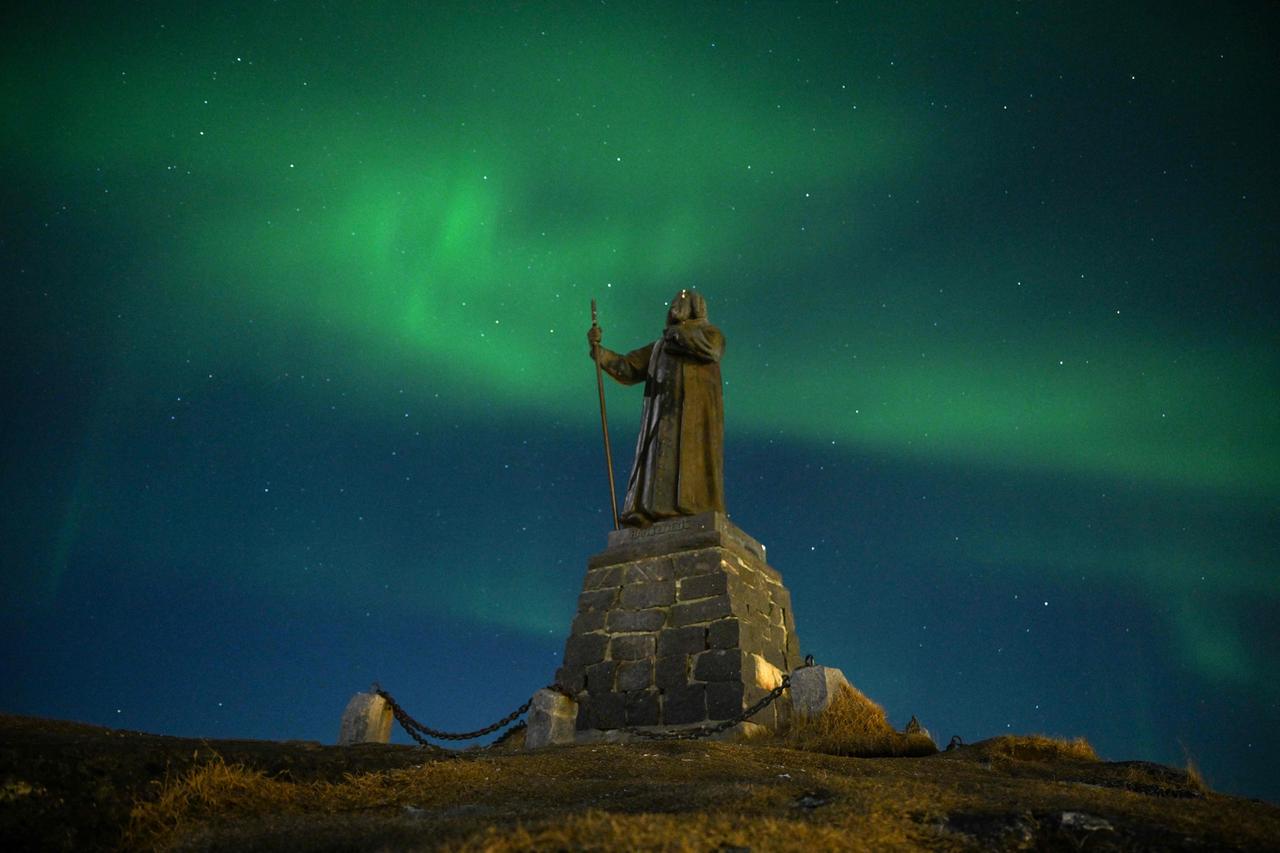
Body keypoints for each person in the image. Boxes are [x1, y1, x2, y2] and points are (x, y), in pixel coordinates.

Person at [587, 290, 726, 527]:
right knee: (657, 459)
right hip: (663, 416)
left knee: (692, 458)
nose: (673, 306)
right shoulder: (659, 347)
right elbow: (628, 367)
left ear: (694, 306)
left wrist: (678, 335)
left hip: (695, 416)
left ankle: (693, 509)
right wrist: (599, 351)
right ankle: (650, 512)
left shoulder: (710, 333)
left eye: (680, 302)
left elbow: (710, 350)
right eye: (672, 302)